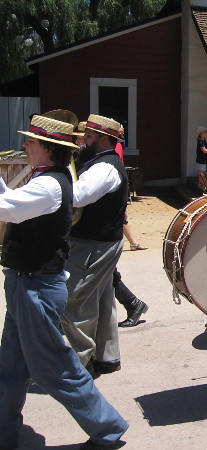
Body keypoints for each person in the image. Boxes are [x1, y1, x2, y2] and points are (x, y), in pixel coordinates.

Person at [0, 115, 128, 448]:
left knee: (55, 368)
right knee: (11, 367)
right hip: (26, 283)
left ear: (48, 148)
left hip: (36, 286)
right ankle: (4, 432)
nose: (25, 144)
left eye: (31, 141)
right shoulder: (43, 177)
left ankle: (108, 428)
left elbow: (7, 208)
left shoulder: (49, 184)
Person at [61, 114, 129, 377]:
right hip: (97, 242)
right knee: (102, 299)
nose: (83, 140)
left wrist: (65, 163)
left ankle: (79, 363)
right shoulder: (99, 162)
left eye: (88, 137)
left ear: (103, 139)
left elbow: (77, 197)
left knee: (76, 300)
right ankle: (107, 357)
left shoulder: (106, 166)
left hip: (94, 244)